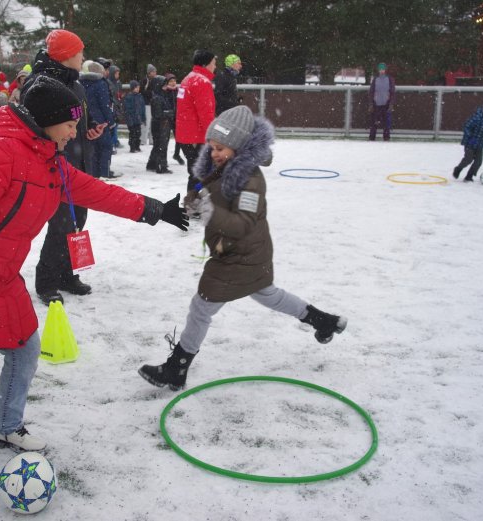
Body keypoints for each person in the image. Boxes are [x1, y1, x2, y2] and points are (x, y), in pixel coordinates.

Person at [0, 77, 188, 496]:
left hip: (1, 276)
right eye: (69, 123)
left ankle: (6, 428)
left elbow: (96, 191)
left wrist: (152, 209)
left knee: (24, 351)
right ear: (46, 122)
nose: (74, 131)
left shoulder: (49, 160)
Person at [139, 106, 346, 391]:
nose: (214, 153)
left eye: (220, 147)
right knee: (269, 295)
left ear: (239, 146)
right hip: (246, 253)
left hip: (240, 255)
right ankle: (323, 321)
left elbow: (242, 224)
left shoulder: (250, 181)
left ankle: (177, 368)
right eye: (211, 147)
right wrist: (195, 203)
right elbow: (210, 197)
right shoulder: (225, 169)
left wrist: (209, 211)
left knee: (201, 308)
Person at [22, 28, 108, 304]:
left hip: (79, 161)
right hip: (53, 165)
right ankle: (46, 281)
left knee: (77, 220)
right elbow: (34, 128)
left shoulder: (76, 83)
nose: (83, 56)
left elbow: (78, 117)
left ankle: (67, 274)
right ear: (66, 55)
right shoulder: (40, 84)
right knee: (60, 223)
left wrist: (90, 128)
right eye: (80, 51)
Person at [176, 49, 217, 192]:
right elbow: (206, 114)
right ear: (206, 64)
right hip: (196, 137)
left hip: (186, 135)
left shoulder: (188, 78)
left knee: (196, 172)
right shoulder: (201, 82)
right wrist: (213, 136)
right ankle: (193, 205)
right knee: (199, 174)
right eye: (213, 63)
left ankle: (193, 204)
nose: (215, 66)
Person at [80, 60, 116, 179]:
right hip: (101, 121)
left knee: (93, 149)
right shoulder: (100, 83)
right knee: (106, 147)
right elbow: (105, 104)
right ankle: (104, 173)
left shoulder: (79, 82)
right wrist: (110, 122)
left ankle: (94, 174)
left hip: (86, 120)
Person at [453, 100, 483, 182]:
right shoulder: (477, 117)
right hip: (471, 143)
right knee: (468, 159)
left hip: (480, 144)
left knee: (478, 162)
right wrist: (470, 137)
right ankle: (458, 169)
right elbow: (466, 126)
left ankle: (469, 176)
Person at [146, 76, 175, 174]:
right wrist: (170, 113)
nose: (166, 87)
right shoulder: (158, 97)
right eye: (164, 85)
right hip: (160, 125)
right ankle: (161, 166)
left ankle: (152, 164)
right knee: (161, 145)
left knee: (158, 145)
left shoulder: (162, 96)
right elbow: (158, 114)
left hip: (161, 124)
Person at [368, 62, 395, 141]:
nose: (382, 71)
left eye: (383, 69)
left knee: (387, 123)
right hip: (376, 104)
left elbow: (392, 92)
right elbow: (371, 92)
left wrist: (391, 104)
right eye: (380, 69)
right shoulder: (375, 79)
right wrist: (371, 104)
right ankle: (372, 137)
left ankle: (386, 138)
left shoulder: (389, 79)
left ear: (385, 70)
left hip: (386, 104)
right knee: (374, 122)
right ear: (378, 70)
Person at [123, 80, 145, 152]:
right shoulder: (129, 97)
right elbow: (127, 110)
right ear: (132, 88)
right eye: (136, 87)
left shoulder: (140, 96)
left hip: (138, 119)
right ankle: (132, 147)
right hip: (131, 119)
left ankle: (137, 146)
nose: (138, 89)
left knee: (138, 133)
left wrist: (143, 118)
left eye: (138, 87)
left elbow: (142, 108)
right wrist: (129, 120)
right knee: (133, 134)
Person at [141, 64, 159, 146]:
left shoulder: (156, 80)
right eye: (153, 71)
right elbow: (143, 92)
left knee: (153, 122)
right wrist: (152, 93)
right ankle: (143, 140)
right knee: (147, 122)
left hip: (153, 104)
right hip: (146, 104)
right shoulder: (145, 80)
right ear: (149, 73)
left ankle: (152, 140)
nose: (155, 73)